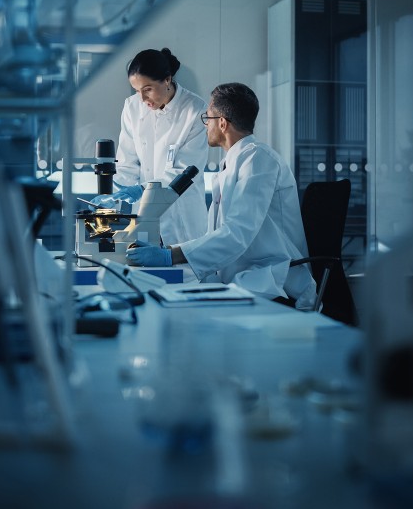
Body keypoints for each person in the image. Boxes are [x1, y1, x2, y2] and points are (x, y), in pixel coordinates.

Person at [125, 82, 317, 311]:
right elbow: (219, 236)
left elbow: (236, 234)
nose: (206, 125)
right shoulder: (233, 163)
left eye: (208, 118)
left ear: (223, 123)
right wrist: (168, 252)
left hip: (271, 281)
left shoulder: (259, 160)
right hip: (242, 277)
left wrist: (170, 255)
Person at [91, 48, 208, 245]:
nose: (143, 99)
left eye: (148, 89)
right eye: (137, 91)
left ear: (167, 80)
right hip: (144, 214)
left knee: (183, 272)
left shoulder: (195, 110)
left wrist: (140, 190)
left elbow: (185, 173)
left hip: (182, 217)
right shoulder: (132, 107)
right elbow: (127, 162)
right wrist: (114, 195)